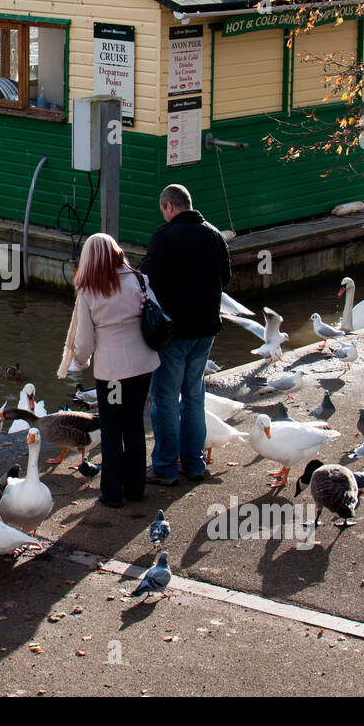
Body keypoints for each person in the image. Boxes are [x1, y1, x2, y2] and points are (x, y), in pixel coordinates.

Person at [59, 233, 160, 508]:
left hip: (113, 375)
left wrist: (81, 362)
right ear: (117, 252)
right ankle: (136, 488)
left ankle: (112, 493)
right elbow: (155, 312)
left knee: (113, 429)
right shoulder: (139, 280)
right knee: (134, 425)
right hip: (142, 367)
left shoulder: (89, 291)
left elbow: (84, 342)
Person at [140, 184, 232, 484]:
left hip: (174, 333)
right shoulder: (215, 235)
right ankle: (194, 463)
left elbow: (145, 281)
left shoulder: (164, 238)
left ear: (168, 206)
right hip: (206, 331)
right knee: (194, 397)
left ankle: (166, 468)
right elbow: (226, 278)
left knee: (164, 399)